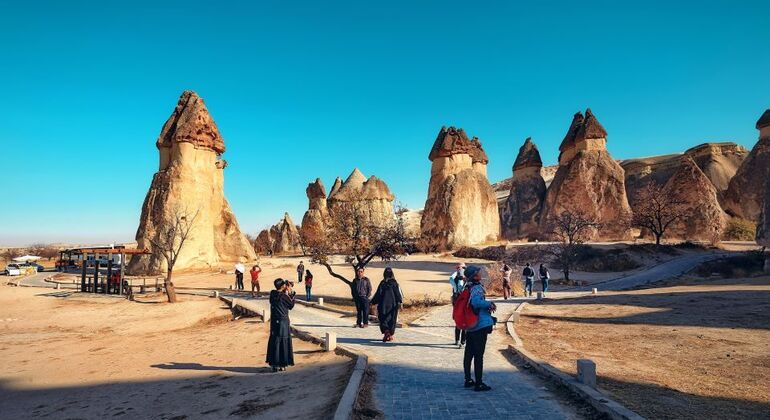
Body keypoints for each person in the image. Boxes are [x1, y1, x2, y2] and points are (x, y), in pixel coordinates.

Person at [462, 265, 496, 392]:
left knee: (468, 354)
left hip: (470, 326)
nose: (481, 274)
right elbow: (476, 303)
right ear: (475, 275)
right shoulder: (476, 287)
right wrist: (489, 303)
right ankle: (479, 383)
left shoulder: (467, 286)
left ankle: (468, 380)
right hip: (479, 325)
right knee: (478, 355)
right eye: (478, 272)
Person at [266, 278, 296, 372]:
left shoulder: (272, 294)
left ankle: (274, 364)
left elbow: (278, 294)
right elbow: (291, 305)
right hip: (283, 321)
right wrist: (290, 293)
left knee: (275, 340)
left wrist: (284, 289)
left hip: (274, 321)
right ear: (283, 286)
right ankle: (282, 364)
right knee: (283, 341)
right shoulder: (283, 296)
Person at [371, 267, 403, 342]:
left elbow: (378, 294)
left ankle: (386, 332)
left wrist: (373, 302)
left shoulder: (382, 283)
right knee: (392, 320)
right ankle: (390, 335)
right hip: (393, 305)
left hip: (383, 305)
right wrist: (400, 302)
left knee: (383, 319)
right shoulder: (395, 283)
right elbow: (398, 294)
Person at [449, 263, 467, 347]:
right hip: (461, 301)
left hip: (458, 301)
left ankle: (460, 341)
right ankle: (461, 341)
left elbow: (450, 279)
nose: (461, 270)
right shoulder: (459, 278)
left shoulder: (458, 278)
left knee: (460, 321)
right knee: (462, 322)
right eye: (460, 268)